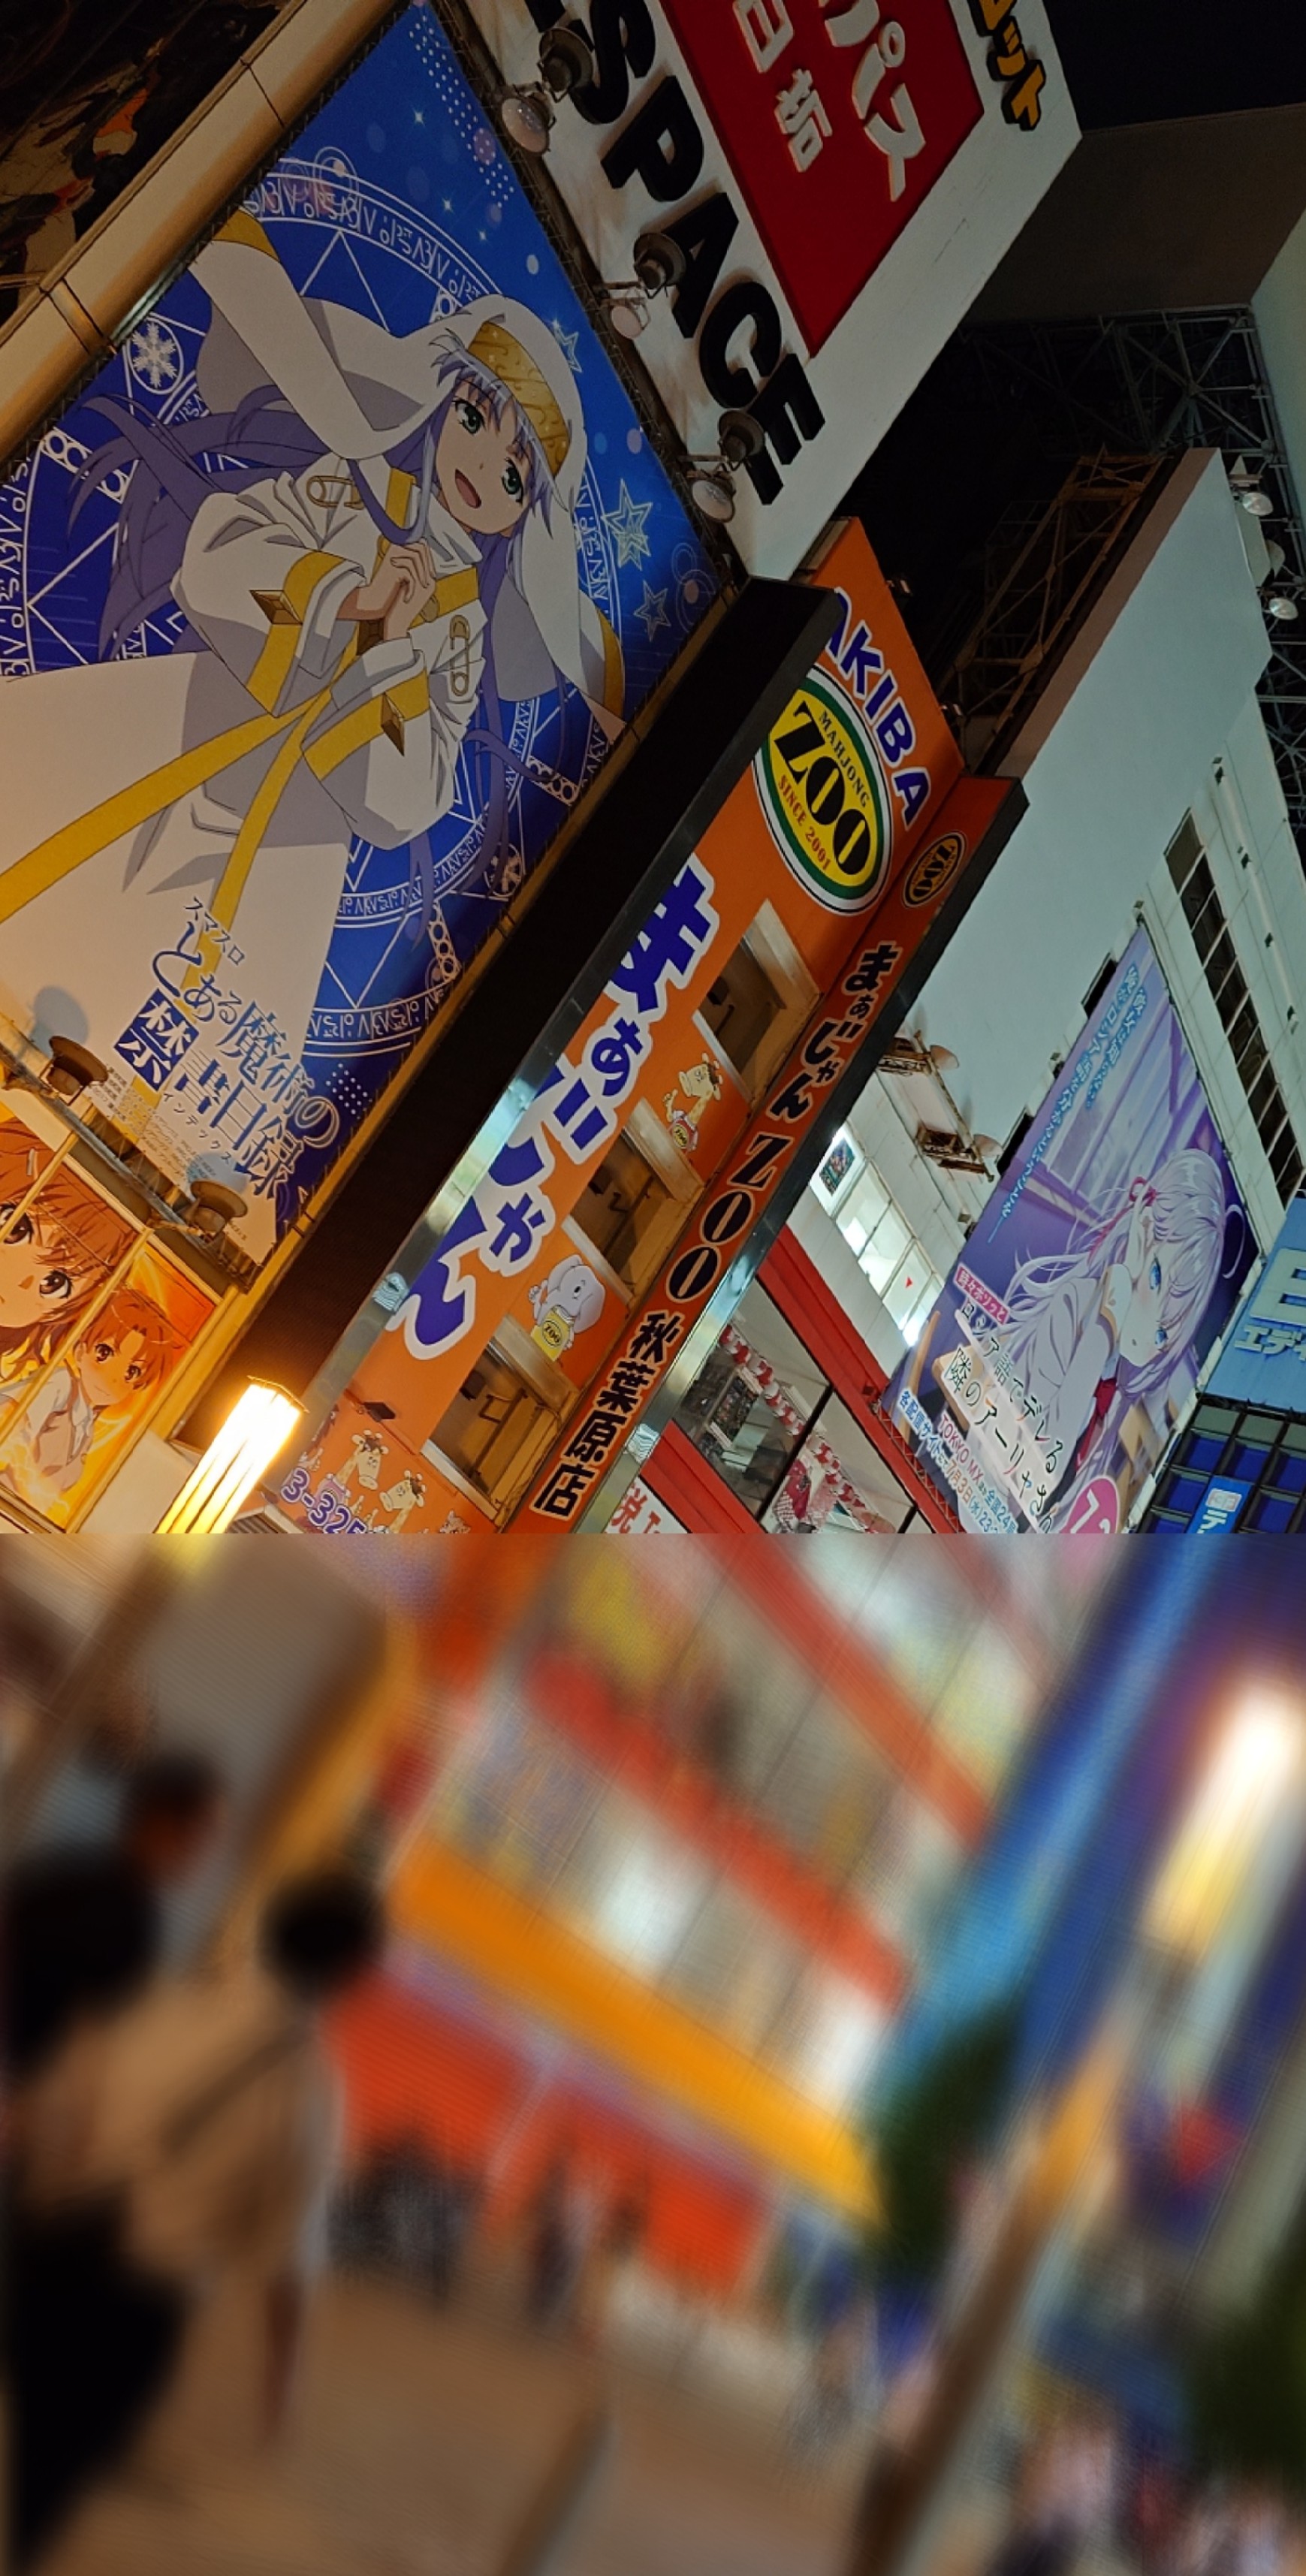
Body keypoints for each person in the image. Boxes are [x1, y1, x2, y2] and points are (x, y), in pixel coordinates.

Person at [0, 219, 623, 1255]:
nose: (482, 467)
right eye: (476, 415)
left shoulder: (460, 634)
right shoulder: (350, 487)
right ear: (442, 398)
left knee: (160, 1133)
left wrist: (377, 654)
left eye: (517, 475)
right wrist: (341, 596)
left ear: (526, 516)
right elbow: (214, 556)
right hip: (182, 731)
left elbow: (410, 800)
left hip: (290, 855)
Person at [7, 1863, 382, 2568]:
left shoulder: (170, 1999)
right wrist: (283, 2387)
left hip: (42, 2247)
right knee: (41, 2490)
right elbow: (290, 2262)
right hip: (129, 2311)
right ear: (354, 1974)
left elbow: (59, 2101)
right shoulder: (309, 2090)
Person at [3, 1747, 225, 2083]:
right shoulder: (123, 1919)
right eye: (202, 1829)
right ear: (160, 1821)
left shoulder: (67, 1870)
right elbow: (77, 2047)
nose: (205, 1850)